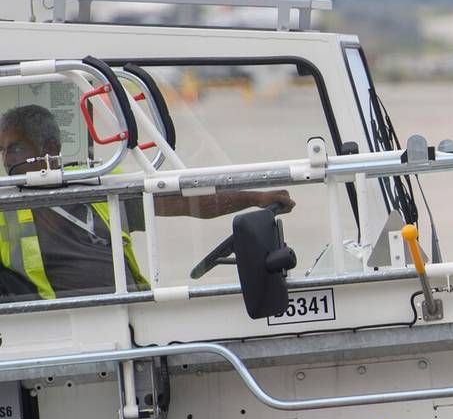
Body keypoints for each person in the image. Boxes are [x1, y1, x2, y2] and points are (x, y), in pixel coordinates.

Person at [0, 103, 293, 299]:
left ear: (50, 148)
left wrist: (255, 197)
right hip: (66, 326)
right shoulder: (5, 205)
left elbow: (187, 201)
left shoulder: (96, 184)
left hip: (132, 309)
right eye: (2, 151)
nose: (6, 160)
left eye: (14, 149)